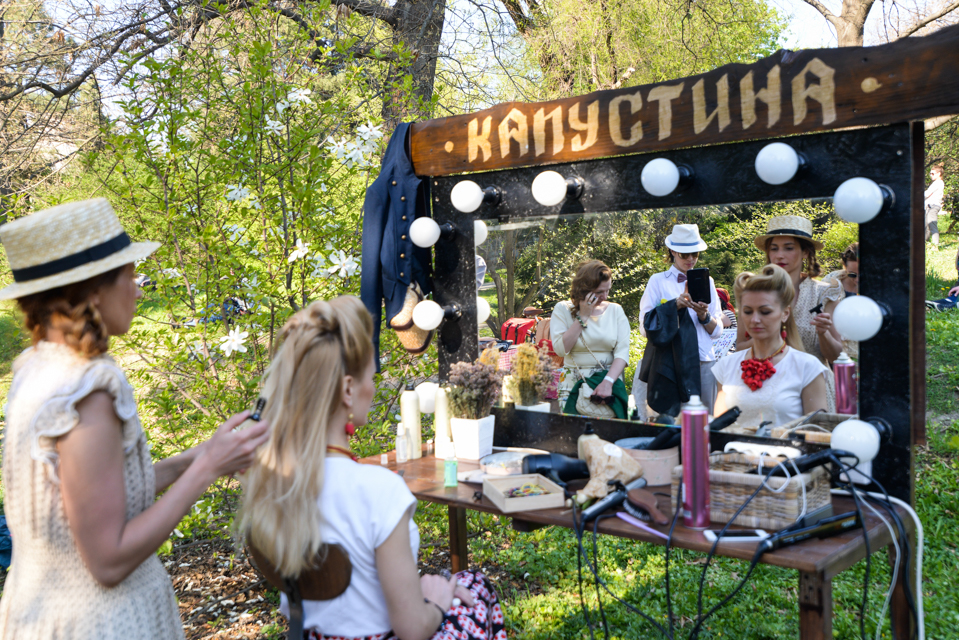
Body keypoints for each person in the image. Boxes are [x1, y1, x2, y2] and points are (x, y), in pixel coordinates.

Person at [0, 199, 269, 640]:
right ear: (92, 291)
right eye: (129, 274)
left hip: (39, 615)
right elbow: (108, 559)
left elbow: (100, 494)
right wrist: (205, 471)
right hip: (101, 623)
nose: (138, 289)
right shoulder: (86, 390)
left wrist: (196, 457)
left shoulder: (36, 367)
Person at [237, 296, 505, 640]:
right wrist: (436, 601)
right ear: (349, 389)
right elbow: (411, 630)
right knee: (474, 586)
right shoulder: (377, 490)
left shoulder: (273, 482)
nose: (374, 386)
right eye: (371, 375)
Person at [712, 265, 829, 431]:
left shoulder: (807, 368)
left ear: (785, 313)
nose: (755, 320)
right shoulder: (726, 366)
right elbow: (719, 428)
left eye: (765, 311)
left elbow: (815, 434)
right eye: (747, 311)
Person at [748, 215, 843, 409]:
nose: (779, 255)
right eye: (774, 248)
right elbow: (741, 348)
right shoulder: (756, 292)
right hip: (768, 386)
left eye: (789, 248)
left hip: (815, 389)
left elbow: (836, 356)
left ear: (805, 252)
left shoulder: (823, 293)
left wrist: (823, 333)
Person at [636, 224, 722, 414]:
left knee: (704, 421)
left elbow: (717, 332)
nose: (690, 259)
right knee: (671, 421)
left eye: (695, 254)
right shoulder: (658, 281)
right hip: (671, 362)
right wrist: (673, 306)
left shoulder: (708, 282)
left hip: (703, 361)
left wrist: (703, 315)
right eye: (685, 254)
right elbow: (645, 327)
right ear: (673, 251)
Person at [550, 260, 631, 415]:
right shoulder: (563, 309)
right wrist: (583, 316)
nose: (605, 296)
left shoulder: (615, 311)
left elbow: (622, 352)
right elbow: (561, 350)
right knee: (571, 435)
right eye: (600, 292)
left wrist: (608, 382)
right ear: (584, 289)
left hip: (608, 383)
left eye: (608, 291)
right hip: (572, 383)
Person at [925, 163, 945, 248]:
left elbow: (926, 194)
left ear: (939, 173)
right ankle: (924, 244)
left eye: (933, 173)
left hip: (933, 206)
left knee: (932, 224)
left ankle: (935, 245)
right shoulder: (937, 183)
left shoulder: (938, 183)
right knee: (926, 226)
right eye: (930, 173)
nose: (931, 175)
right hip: (930, 206)